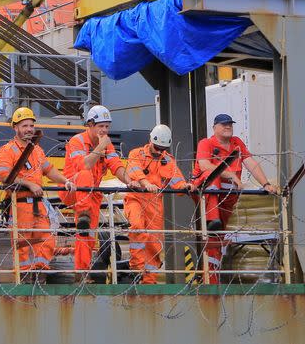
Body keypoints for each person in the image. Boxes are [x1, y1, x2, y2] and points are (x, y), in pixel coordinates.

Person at [193, 113, 278, 284]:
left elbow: (251, 163)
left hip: (227, 197)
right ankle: (212, 218)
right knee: (214, 173)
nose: (228, 127)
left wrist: (266, 184)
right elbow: (205, 166)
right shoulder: (206, 143)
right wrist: (231, 175)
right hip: (207, 193)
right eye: (224, 124)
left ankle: (212, 279)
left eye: (230, 124)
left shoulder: (236, 144)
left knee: (217, 237)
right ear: (214, 127)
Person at [60, 105, 141, 283]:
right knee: (85, 174)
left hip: (92, 195)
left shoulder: (107, 144)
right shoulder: (77, 141)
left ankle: (81, 272)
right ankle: (83, 214)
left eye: (106, 126)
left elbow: (116, 166)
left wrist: (129, 181)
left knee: (87, 234)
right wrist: (101, 147)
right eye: (100, 126)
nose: (104, 130)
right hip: (71, 189)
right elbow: (85, 165)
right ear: (90, 125)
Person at [0, 107, 75, 284]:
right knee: (23, 243)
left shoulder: (36, 150)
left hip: (38, 205)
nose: (29, 129)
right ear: (15, 127)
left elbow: (49, 170)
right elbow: (4, 176)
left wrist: (65, 180)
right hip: (20, 203)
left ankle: (40, 275)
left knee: (46, 239)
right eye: (25, 125)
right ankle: (24, 278)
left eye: (31, 125)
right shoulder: (7, 150)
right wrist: (29, 184)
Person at [125, 124, 195, 284]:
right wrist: (145, 183)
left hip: (155, 204)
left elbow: (177, 180)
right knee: (137, 227)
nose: (158, 151)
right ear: (150, 140)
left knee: (154, 243)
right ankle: (136, 270)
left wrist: (185, 186)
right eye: (156, 147)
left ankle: (149, 281)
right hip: (136, 198)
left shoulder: (168, 160)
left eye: (162, 148)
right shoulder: (136, 153)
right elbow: (134, 169)